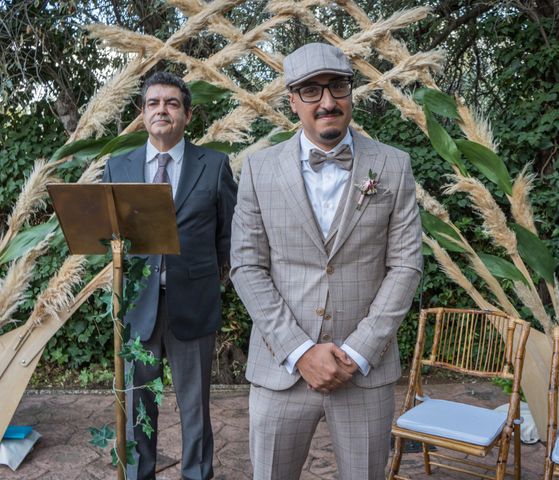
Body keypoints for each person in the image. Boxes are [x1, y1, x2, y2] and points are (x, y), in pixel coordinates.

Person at [230, 43, 423, 480]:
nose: (328, 102)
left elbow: (406, 265)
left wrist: (358, 352)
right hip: (282, 370)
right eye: (311, 91)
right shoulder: (259, 170)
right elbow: (246, 265)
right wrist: (300, 352)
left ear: (351, 92)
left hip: (363, 372)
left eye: (337, 86)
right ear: (292, 100)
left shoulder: (393, 166)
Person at [103, 71, 237, 480]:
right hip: (138, 307)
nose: (162, 110)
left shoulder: (214, 166)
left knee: (194, 406)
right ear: (142, 113)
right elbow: (108, 237)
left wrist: (208, 281)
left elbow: (228, 237)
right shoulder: (117, 166)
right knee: (139, 404)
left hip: (193, 305)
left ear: (187, 115)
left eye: (172, 103)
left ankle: (197, 474)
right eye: (153, 103)